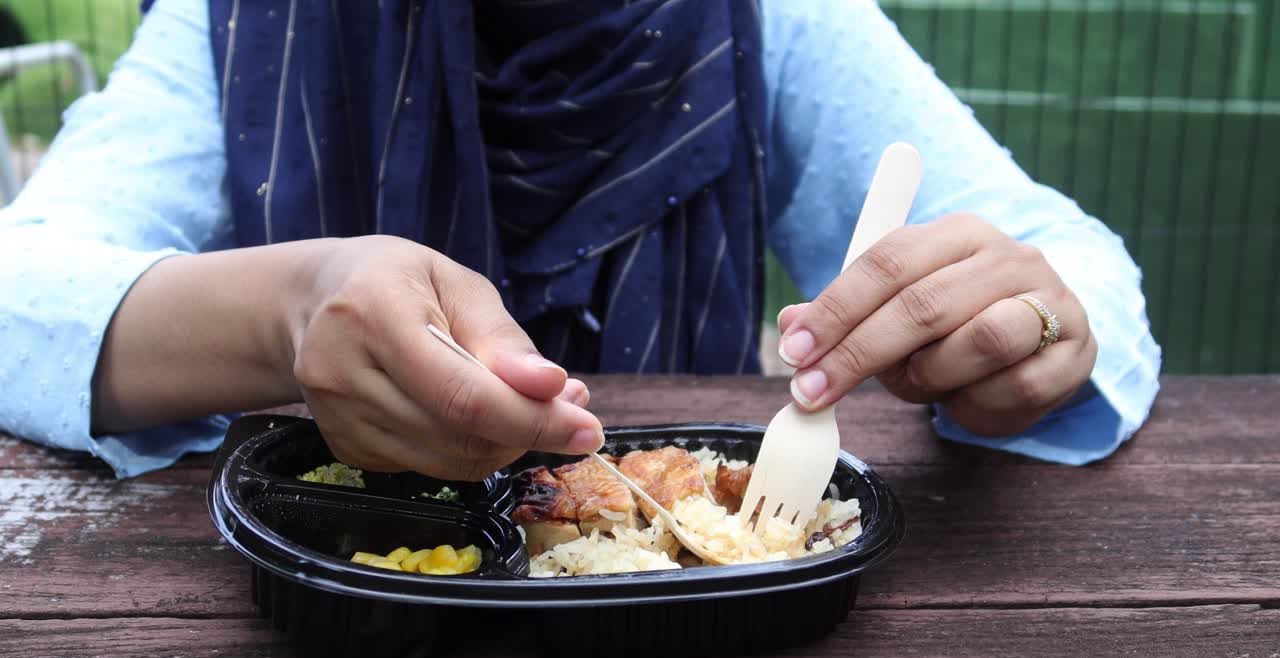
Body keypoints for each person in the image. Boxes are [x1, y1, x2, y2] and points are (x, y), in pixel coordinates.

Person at [0, 0, 1160, 481]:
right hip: (336, 626)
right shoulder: (246, 20)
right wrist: (287, 312)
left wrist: (1036, 327)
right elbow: (21, 282)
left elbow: (1067, 264)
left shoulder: (769, 19)